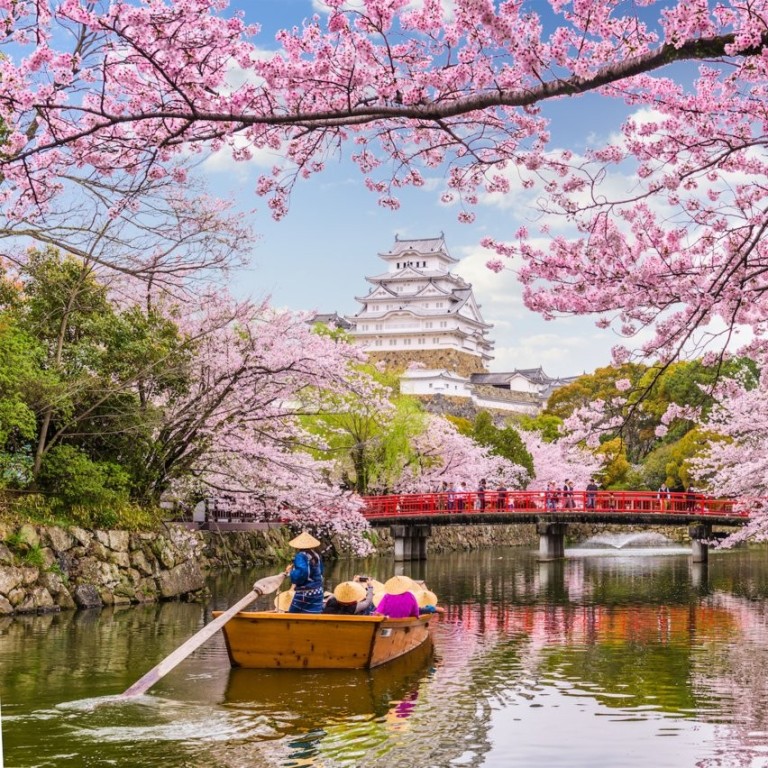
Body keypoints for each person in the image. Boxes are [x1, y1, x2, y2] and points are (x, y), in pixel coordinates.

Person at [284, 531, 324, 613]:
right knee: (314, 613)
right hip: (318, 591)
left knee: (293, 614)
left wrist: (290, 572)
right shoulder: (316, 555)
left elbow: (302, 573)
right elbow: (321, 571)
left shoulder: (300, 556)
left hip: (305, 593)